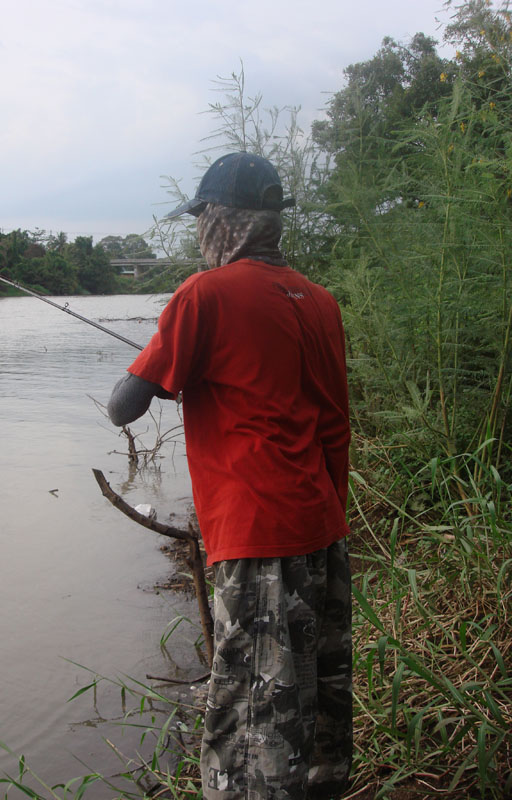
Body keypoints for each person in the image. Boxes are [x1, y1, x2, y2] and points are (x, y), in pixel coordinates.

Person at [108, 152, 352, 800]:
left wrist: (156, 377)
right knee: (317, 712)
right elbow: (335, 428)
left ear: (224, 220)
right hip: (324, 530)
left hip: (258, 536)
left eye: (202, 219)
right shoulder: (321, 302)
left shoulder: (203, 294)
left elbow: (120, 406)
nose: (199, 233)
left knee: (250, 725)